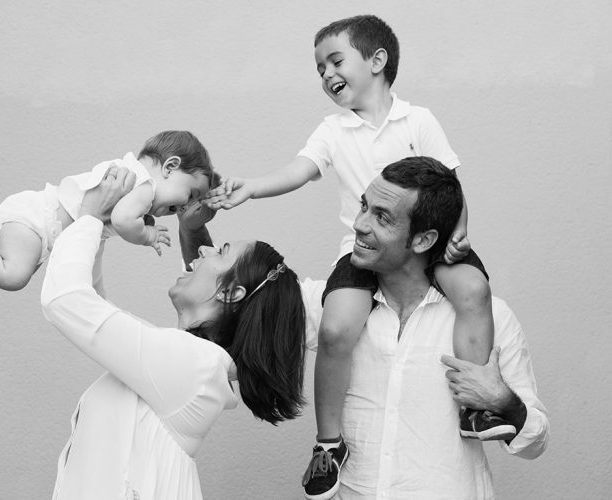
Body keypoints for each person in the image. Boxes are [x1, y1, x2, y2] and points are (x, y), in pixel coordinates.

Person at [204, 15, 507, 498]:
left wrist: (459, 231)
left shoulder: (418, 120)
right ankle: (329, 443)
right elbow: (301, 170)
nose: (326, 74)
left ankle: (475, 408)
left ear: (377, 60)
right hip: (361, 253)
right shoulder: (333, 130)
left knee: (474, 291)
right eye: (319, 68)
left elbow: (450, 182)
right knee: (336, 328)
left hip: (432, 241)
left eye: (335, 61)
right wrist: (252, 188)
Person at [189, 157, 549, 499]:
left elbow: (535, 443)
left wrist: (504, 401)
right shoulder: (333, 307)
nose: (360, 224)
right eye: (364, 206)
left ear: (423, 240)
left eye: (382, 217)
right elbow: (219, 295)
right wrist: (190, 226)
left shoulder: (492, 317)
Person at [40, 166, 307, 499]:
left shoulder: (192, 368)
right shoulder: (191, 366)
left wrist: (91, 216)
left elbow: (66, 300)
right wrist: (102, 226)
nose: (204, 251)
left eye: (221, 251)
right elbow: (93, 307)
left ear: (232, 294)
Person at [0, 130, 216, 291]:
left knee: (8, 261)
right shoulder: (142, 185)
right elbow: (122, 220)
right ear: (170, 167)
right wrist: (147, 236)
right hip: (37, 220)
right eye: (191, 194)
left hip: (37, 221)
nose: (184, 206)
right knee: (14, 276)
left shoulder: (133, 185)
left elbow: (94, 246)